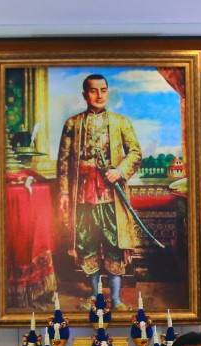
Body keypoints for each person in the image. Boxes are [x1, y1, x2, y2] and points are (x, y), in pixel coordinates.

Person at [56, 73, 142, 311]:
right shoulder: (72, 124)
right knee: (86, 244)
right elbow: (63, 163)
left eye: (103, 90)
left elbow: (135, 153)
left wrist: (120, 171)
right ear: (85, 94)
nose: (99, 95)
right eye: (93, 91)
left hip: (110, 196)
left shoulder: (121, 122)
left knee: (114, 244)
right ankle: (96, 297)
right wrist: (64, 195)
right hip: (82, 197)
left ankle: (115, 299)